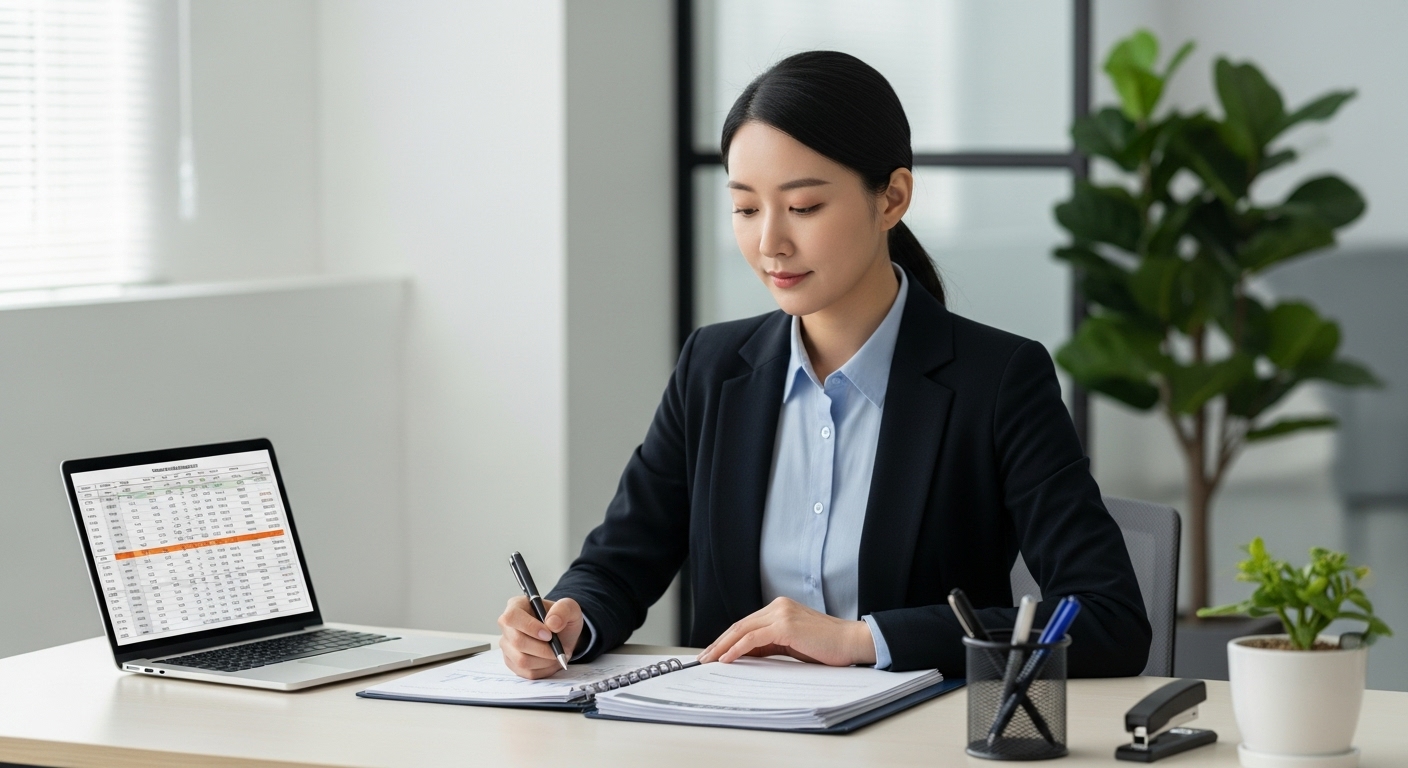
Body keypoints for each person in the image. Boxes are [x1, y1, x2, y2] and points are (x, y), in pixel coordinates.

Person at [498, 50, 1151, 679]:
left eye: (804, 207)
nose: (769, 242)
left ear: (892, 198)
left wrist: (864, 640)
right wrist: (567, 622)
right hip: (730, 737)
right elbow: (617, 565)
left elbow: (1107, 617)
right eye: (746, 207)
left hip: (911, 743)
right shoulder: (713, 368)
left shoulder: (996, 379)